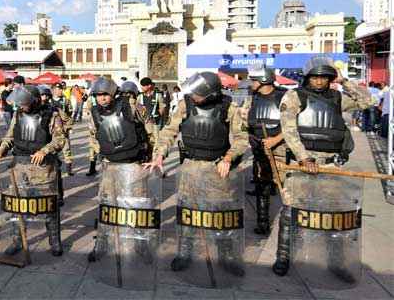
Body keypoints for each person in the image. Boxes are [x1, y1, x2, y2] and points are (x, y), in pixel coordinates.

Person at [272, 55, 372, 283]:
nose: (319, 81)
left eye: (324, 77)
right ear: (308, 77)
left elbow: (366, 102)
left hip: (330, 165)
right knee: (290, 214)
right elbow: (289, 130)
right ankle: (283, 257)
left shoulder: (337, 98)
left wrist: (344, 81)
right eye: (315, 77)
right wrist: (304, 158)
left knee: (334, 216)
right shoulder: (294, 96)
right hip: (302, 164)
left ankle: (335, 262)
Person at [147, 72, 248, 276]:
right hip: (191, 166)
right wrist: (159, 155)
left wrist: (229, 158)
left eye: (198, 94)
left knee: (221, 213)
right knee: (187, 212)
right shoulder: (186, 105)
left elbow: (241, 138)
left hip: (217, 167)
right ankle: (184, 252)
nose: (193, 96)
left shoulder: (230, 108)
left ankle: (225, 255)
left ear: (210, 94)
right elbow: (169, 131)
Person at [0, 85, 66, 256]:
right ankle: (18, 241)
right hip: (20, 166)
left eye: (24, 104)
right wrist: (0, 150)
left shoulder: (51, 115)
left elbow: (60, 139)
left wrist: (44, 150)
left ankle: (55, 241)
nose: (21, 107)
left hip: (43, 167)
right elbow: (9, 137)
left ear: (35, 101)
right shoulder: (18, 115)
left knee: (48, 206)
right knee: (17, 206)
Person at [87, 77, 158, 262]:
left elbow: (151, 133)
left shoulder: (132, 107)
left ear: (112, 93)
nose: (101, 98)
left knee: (136, 206)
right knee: (107, 206)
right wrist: (103, 152)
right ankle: (101, 244)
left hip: (133, 165)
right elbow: (93, 137)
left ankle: (141, 244)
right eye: (98, 95)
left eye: (104, 94)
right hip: (110, 167)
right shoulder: (94, 113)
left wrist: (150, 157)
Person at [240, 66, 286, 235]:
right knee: (262, 186)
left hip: (280, 148)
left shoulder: (284, 97)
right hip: (259, 147)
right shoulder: (253, 98)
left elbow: (292, 125)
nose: (251, 83)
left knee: (286, 188)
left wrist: (276, 140)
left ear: (263, 80)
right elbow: (245, 119)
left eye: (254, 80)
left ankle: (290, 223)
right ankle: (263, 222)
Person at [51, 83, 75, 176]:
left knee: (66, 148)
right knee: (53, 149)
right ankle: (55, 167)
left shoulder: (65, 100)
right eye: (59, 89)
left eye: (61, 89)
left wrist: (69, 127)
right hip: (52, 129)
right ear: (53, 90)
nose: (61, 91)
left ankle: (69, 170)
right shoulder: (49, 100)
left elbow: (69, 113)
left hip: (63, 128)